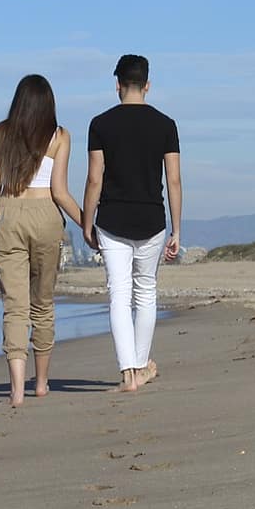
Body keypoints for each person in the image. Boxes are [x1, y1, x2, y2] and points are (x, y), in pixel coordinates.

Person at [0, 74, 83, 408]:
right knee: (43, 303)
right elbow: (60, 192)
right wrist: (88, 225)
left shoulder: (1, 133)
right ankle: (42, 383)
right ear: (49, 104)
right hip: (46, 214)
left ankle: (16, 390)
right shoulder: (59, 136)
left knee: (14, 307)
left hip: (8, 215)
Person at [82, 54, 181, 392]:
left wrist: (86, 220)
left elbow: (95, 178)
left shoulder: (100, 124)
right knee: (146, 294)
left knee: (119, 295)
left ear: (118, 86)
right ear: (148, 85)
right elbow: (175, 181)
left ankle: (128, 374)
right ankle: (140, 367)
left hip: (111, 219)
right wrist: (177, 228)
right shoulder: (166, 125)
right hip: (152, 218)